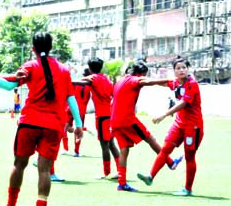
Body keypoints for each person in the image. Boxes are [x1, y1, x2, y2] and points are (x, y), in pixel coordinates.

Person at [0, 32, 83, 206]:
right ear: (50, 47)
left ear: (33, 48)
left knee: (19, 165)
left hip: (29, 122)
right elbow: (71, 98)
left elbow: (9, 86)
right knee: (44, 170)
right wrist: (79, 124)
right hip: (53, 126)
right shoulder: (64, 70)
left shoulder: (30, 66)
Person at [137, 56, 203, 196]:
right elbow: (166, 82)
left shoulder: (192, 84)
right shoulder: (176, 83)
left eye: (184, 67)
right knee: (165, 149)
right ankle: (150, 177)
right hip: (179, 124)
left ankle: (188, 189)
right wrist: (147, 82)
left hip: (193, 126)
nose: (181, 70)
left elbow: (183, 103)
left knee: (189, 156)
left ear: (188, 69)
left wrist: (164, 115)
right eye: (178, 68)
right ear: (174, 71)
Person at [111, 60, 179, 192]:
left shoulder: (122, 79)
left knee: (124, 150)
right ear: (141, 73)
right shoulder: (134, 80)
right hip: (127, 120)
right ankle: (170, 162)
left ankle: (122, 183)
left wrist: (169, 84)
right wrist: (170, 79)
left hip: (114, 121)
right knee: (150, 139)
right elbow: (148, 82)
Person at [73, 58, 120, 178]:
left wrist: (68, 81)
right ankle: (120, 170)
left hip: (101, 116)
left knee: (104, 146)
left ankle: (106, 172)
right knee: (111, 144)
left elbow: (81, 83)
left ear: (90, 68)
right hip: (110, 114)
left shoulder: (93, 79)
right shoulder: (107, 80)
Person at [62, 68, 91, 157]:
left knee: (65, 128)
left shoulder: (76, 83)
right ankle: (76, 151)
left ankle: (65, 149)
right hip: (80, 110)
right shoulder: (90, 85)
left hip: (71, 108)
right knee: (78, 130)